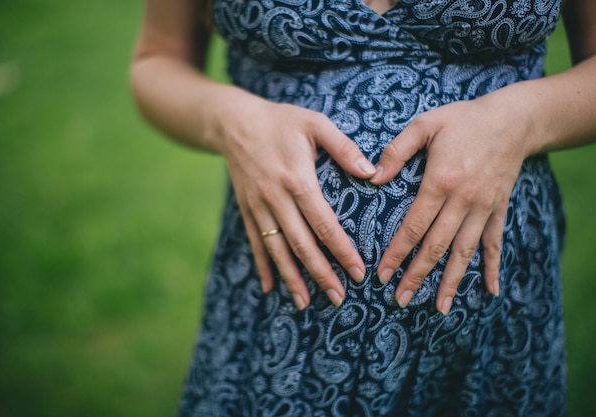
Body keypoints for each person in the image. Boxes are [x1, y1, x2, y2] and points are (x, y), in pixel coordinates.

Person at [131, 0, 596, 415]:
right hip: (280, 306)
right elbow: (157, 59)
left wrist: (521, 120)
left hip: (493, 312)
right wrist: (230, 119)